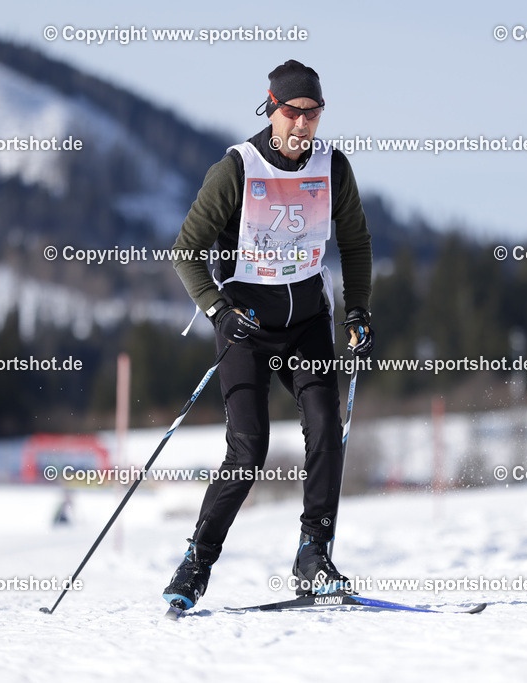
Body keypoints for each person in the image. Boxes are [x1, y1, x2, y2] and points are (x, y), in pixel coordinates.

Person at [162, 59, 374, 611]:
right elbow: (187, 252)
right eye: (293, 112)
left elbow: (355, 244)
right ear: (272, 106)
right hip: (248, 326)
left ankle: (313, 555)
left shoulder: (333, 168)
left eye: (314, 113)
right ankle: (197, 562)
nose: (304, 125)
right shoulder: (237, 168)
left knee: (327, 426)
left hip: (305, 322)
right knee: (249, 448)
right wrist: (217, 310)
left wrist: (357, 313)